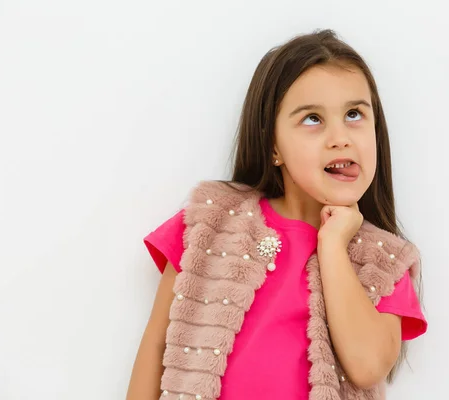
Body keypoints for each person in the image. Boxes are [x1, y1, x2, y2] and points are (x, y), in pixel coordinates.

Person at [127, 29, 428, 400]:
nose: (340, 137)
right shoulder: (211, 223)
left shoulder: (383, 259)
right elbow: (158, 346)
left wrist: (333, 244)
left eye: (354, 114)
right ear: (274, 146)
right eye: (313, 119)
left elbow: (367, 366)